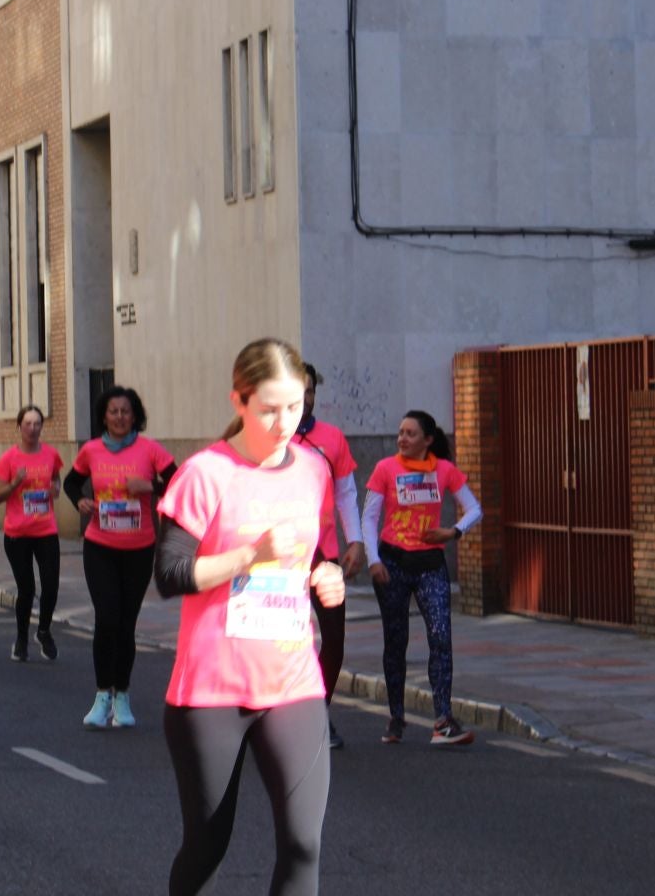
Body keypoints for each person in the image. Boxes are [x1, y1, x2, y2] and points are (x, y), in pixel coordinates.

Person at [155, 339, 341, 896]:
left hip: (292, 683)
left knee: (304, 844)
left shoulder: (312, 471)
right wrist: (246, 556)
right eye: (269, 408)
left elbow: (311, 556)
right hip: (213, 692)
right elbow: (169, 575)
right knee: (208, 845)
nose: (286, 422)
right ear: (238, 400)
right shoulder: (205, 474)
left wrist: (323, 578)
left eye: (296, 406)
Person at [364, 409, 482, 746]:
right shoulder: (385, 469)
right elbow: (370, 518)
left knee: (441, 637)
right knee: (396, 640)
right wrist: (374, 560)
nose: (402, 438)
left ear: (428, 440)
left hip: (430, 563)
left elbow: (474, 508)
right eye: (400, 432)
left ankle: (443, 720)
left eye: (410, 433)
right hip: (393, 563)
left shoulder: (443, 470)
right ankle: (396, 717)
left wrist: (453, 532)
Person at [66, 385, 176, 729]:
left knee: (126, 623)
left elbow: (184, 482)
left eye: (125, 411)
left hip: (139, 548)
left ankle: (123, 697)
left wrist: (153, 488)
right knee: (107, 617)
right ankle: (102, 696)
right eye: (113, 411)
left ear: (135, 415)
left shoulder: (150, 450)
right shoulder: (92, 450)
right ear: (103, 416)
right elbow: (72, 483)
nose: (119, 417)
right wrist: (80, 501)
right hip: (100, 545)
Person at [293, 363, 365, 749]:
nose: (305, 398)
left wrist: (355, 540)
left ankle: (318, 711)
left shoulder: (331, 438)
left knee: (333, 640)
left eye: (309, 390)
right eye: (296, 389)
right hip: (277, 560)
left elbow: (346, 493)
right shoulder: (262, 439)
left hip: (326, 557)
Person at [0, 406, 63, 663]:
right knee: (27, 589)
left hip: (46, 529)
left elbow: (56, 479)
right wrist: (14, 484)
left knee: (51, 585)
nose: (32, 428)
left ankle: (43, 631)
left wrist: (56, 487)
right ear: (19, 427)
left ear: (41, 427)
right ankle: (21, 638)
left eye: (37, 424)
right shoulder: (9, 459)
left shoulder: (51, 455)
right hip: (17, 533)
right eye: (28, 423)